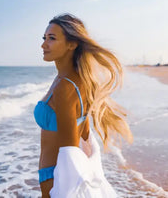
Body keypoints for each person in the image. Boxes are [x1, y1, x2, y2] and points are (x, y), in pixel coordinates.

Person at [33, 13, 133, 197]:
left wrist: (62, 190)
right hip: (55, 175)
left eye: (52, 39)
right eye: (44, 38)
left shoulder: (65, 86)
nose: (43, 44)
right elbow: (84, 134)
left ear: (72, 44)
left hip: (56, 178)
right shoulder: (71, 80)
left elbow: (69, 152)